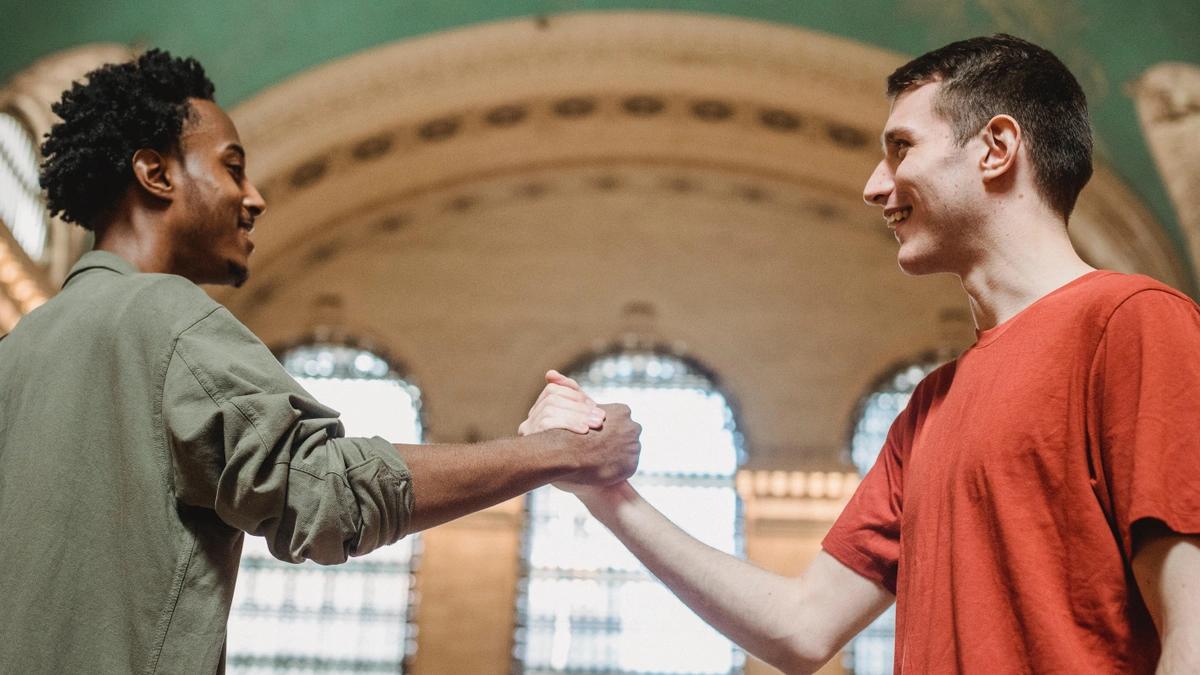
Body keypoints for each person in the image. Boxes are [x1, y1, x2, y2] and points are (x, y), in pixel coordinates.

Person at [521, 34, 1200, 673]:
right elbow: (801, 626)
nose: (876, 186)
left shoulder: (1133, 324)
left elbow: (1193, 633)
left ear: (996, 148)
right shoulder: (931, 404)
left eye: (900, 148)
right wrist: (606, 495)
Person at [0, 50, 642, 674]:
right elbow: (325, 495)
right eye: (232, 167)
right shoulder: (164, 314)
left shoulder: (20, 348)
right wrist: (559, 452)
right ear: (156, 174)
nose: (254, 198)